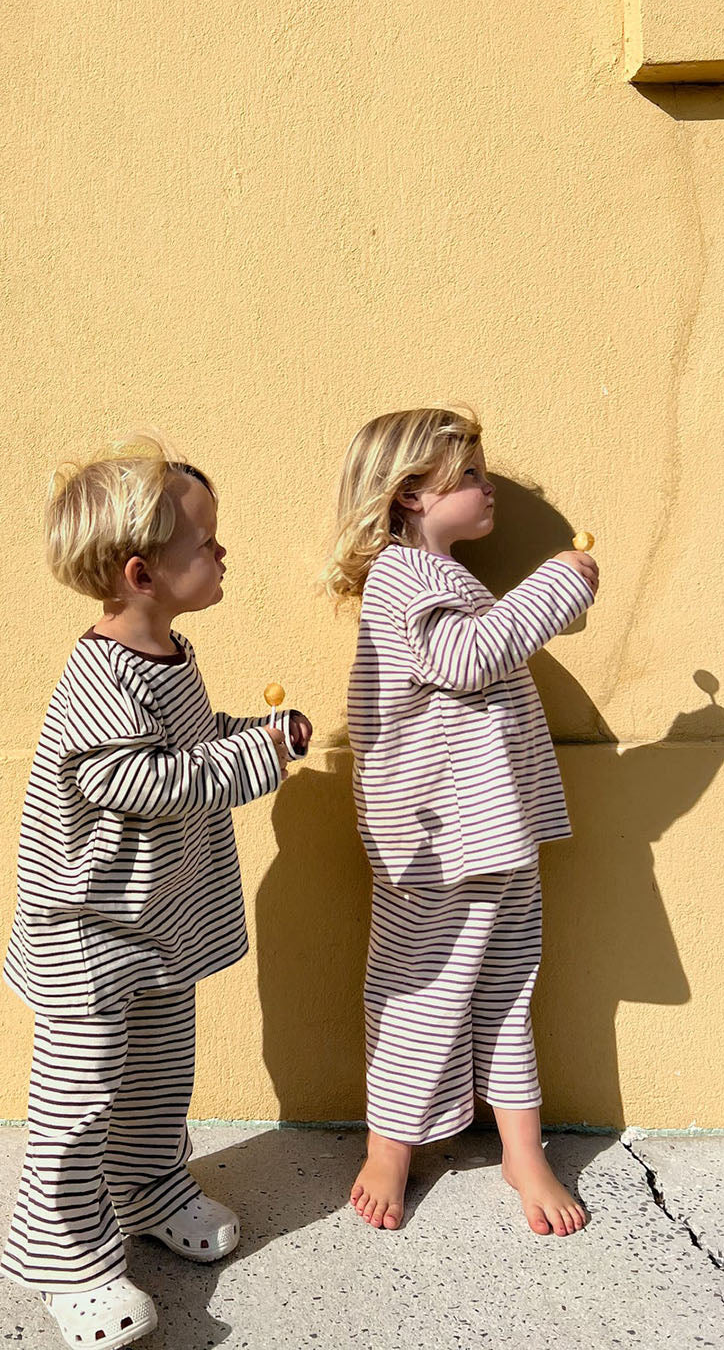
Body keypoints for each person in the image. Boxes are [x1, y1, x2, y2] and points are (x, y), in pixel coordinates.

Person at [1, 436, 312, 1348]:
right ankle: (66, 1259)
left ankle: (144, 1187)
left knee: (157, 1074)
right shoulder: (99, 678)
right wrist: (264, 753)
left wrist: (247, 731)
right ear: (142, 571)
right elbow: (149, 781)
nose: (222, 554)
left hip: (158, 922)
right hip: (87, 933)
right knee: (81, 1094)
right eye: (206, 542)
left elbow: (186, 742)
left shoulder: (170, 655)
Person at [322, 408, 598, 1236]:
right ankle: (391, 1146)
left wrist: (547, 604)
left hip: (494, 832)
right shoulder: (401, 578)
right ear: (410, 493)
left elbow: (479, 655)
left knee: (508, 984)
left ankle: (521, 1146)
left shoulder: (443, 580)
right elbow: (467, 656)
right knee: (422, 993)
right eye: (469, 474)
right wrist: (555, 585)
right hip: (440, 842)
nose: (486, 488)